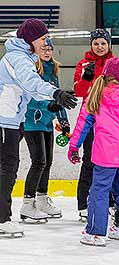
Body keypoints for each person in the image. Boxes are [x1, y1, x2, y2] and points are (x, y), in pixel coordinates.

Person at [0, 19, 77, 237]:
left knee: (8, 167)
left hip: (13, 118)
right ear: (31, 39)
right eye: (42, 38)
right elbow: (32, 83)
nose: (45, 42)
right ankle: (2, 219)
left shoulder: (23, 56)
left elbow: (31, 91)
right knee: (8, 168)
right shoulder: (18, 59)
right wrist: (55, 93)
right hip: (5, 119)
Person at [68, 57, 119, 246]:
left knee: (99, 192)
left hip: (104, 156)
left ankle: (95, 232)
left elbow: (82, 125)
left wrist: (74, 147)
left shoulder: (95, 98)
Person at [73, 28, 119, 222]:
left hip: (114, 124)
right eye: (96, 43)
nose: (100, 47)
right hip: (91, 120)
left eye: (103, 43)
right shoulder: (83, 64)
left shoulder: (117, 65)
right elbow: (80, 92)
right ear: (91, 45)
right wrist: (86, 78)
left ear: (109, 45)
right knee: (90, 162)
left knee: (112, 163)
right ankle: (84, 203)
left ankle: (107, 203)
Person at [21, 38, 69, 222]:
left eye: (50, 49)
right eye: (43, 49)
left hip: (47, 123)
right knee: (39, 161)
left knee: (47, 162)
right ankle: (27, 204)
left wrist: (63, 122)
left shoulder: (53, 70)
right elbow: (30, 96)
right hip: (32, 122)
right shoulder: (32, 69)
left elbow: (57, 96)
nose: (47, 52)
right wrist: (48, 106)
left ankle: (41, 199)